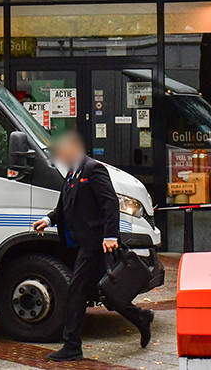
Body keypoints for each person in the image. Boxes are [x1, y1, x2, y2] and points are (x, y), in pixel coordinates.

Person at [32, 131, 154, 362]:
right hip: (80, 243)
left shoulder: (93, 169)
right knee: (109, 291)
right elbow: (63, 208)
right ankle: (141, 317)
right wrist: (47, 220)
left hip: (95, 243)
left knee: (76, 290)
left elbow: (109, 204)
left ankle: (72, 346)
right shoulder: (72, 173)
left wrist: (110, 236)